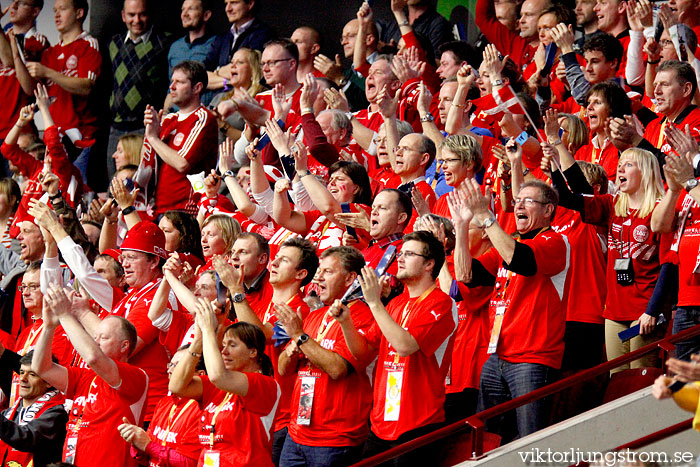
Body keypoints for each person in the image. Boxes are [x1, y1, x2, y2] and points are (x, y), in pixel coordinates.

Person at [450, 176, 570, 440]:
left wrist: (487, 218)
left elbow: (522, 261)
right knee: (488, 439)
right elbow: (466, 275)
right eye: (516, 201)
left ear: (548, 210)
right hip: (497, 358)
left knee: (531, 441)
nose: (518, 206)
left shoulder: (555, 241)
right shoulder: (510, 244)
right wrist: (460, 227)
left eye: (528, 201)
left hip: (533, 359)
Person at [336, 231, 456, 463]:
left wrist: (373, 302)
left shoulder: (441, 302)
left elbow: (405, 346)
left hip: (418, 422)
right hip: (382, 422)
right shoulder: (396, 303)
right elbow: (362, 353)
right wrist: (346, 323)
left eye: (409, 254)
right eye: (400, 252)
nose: (399, 258)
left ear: (429, 264)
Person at [214, 237, 317, 465]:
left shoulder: (299, 309)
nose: (275, 264)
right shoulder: (260, 306)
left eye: (284, 260)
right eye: (276, 258)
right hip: (247, 408)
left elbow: (260, 337)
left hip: (280, 417)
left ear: (300, 274)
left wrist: (235, 289)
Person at [276, 247, 374, 466]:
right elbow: (283, 369)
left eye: (327, 272)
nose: (318, 277)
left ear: (350, 278)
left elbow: (338, 369)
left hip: (335, 439)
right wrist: (292, 351)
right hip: (297, 432)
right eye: (319, 270)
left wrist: (300, 337)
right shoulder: (315, 315)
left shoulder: (362, 315)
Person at [32, 285, 148, 467]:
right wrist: (48, 327)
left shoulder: (136, 376)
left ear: (124, 346)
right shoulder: (85, 376)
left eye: (104, 338)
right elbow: (41, 368)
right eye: (96, 337)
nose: (96, 341)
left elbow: (93, 357)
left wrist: (65, 315)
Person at [169, 302, 280, 467]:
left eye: (232, 345)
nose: (224, 351)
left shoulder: (264, 384)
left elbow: (218, 375)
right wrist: (198, 341)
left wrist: (208, 331)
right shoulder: (217, 385)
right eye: (223, 345)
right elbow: (176, 387)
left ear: (253, 352)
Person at [12, 0, 101, 182]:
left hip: (79, 139)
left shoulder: (88, 45)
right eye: (54, 11)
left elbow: (86, 87)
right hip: (53, 139)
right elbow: (30, 89)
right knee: (52, 194)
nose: (57, 15)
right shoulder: (49, 53)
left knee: (76, 195)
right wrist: (15, 52)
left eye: (63, 9)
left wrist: (48, 72)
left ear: (79, 13)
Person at [140, 60, 218, 216]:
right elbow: (147, 162)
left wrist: (153, 138)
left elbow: (182, 164)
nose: (172, 87)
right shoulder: (168, 120)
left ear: (197, 88)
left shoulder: (203, 118)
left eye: (180, 82)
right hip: (160, 208)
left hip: (186, 210)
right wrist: (148, 136)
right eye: (172, 81)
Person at [107, 0, 170, 182]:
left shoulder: (163, 42)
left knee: (142, 181)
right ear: (123, 16)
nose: (137, 20)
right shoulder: (114, 43)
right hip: (116, 126)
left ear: (149, 14)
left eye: (142, 14)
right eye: (131, 15)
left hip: (145, 126)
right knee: (114, 181)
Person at [118, 345, 204, 467]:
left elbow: (189, 462)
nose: (169, 370)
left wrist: (147, 445)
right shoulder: (164, 403)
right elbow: (147, 459)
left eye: (177, 366)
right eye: (170, 365)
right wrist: (136, 441)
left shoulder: (203, 410)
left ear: (200, 374)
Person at [0, 351, 68, 467]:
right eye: (21, 372)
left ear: (48, 381)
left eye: (32, 374)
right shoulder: (7, 414)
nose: (23, 379)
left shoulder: (57, 413)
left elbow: (27, 437)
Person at [203, 0, 273, 80]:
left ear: (250, 4)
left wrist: (216, 72)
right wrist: (223, 76)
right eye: (226, 3)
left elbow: (251, 73)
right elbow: (203, 73)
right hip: (220, 92)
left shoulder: (263, 34)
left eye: (234, 3)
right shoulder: (222, 37)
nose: (228, 9)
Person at [475, 0, 552, 71]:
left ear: (546, 17)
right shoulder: (516, 45)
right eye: (521, 15)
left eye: (529, 15)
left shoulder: (557, 50)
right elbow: (483, 18)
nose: (522, 20)